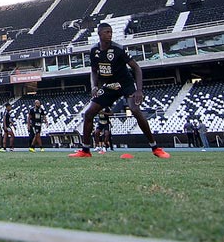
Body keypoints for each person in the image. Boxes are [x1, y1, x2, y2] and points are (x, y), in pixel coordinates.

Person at [70, 22, 170, 158]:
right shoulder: (94, 51)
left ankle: (155, 148)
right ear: (99, 34)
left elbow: (137, 68)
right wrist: (94, 86)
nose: (110, 35)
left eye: (111, 32)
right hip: (109, 86)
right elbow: (93, 71)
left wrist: (139, 90)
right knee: (88, 114)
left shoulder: (118, 49)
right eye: (107, 32)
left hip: (125, 84)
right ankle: (85, 151)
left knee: (135, 110)